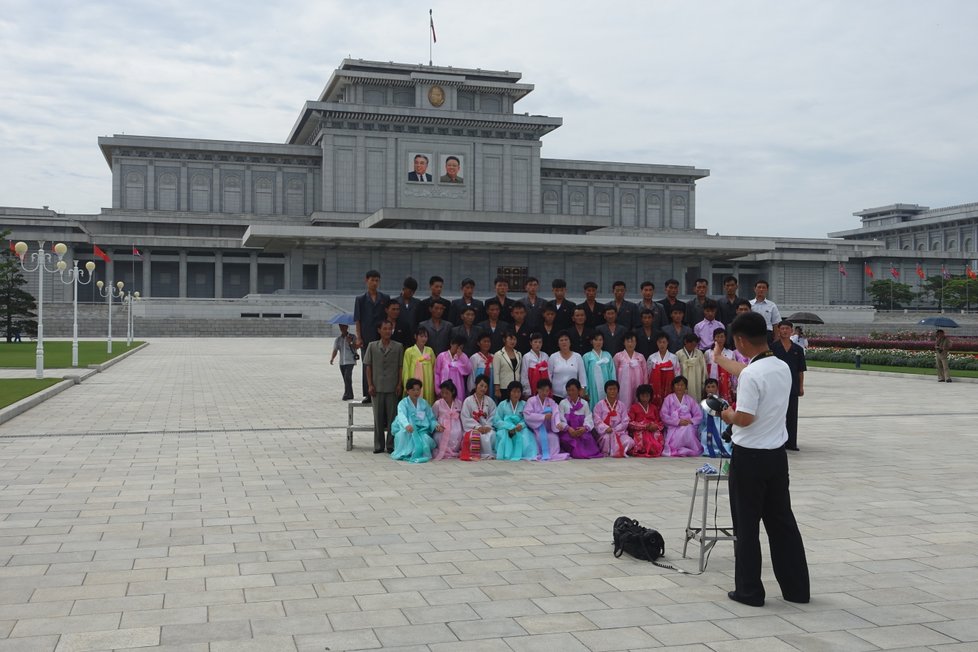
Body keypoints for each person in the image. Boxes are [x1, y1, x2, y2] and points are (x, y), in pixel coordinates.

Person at [714, 311, 810, 608]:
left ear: (741, 340)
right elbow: (744, 370)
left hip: (749, 460)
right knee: (782, 523)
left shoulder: (752, 375)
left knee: (746, 526)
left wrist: (722, 412)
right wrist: (718, 359)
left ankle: (750, 591)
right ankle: (796, 589)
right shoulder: (780, 365)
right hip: (776, 459)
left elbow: (743, 417)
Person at [364, 321, 403, 453]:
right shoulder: (372, 346)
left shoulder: (398, 346)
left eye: (389, 329)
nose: (387, 331)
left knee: (392, 417)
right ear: (379, 330)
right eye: (384, 329)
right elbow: (368, 366)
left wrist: (399, 384)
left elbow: (400, 367)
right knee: (378, 418)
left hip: (392, 387)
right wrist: (369, 384)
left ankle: (390, 445)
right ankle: (378, 445)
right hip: (377, 387)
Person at [354, 269, 389, 403]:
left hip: (381, 337)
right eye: (372, 280)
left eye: (377, 280)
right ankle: (368, 393)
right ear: (366, 280)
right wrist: (359, 337)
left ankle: (381, 391)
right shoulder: (361, 299)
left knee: (381, 364)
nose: (374, 283)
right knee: (367, 364)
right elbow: (358, 320)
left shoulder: (384, 298)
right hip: (366, 336)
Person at [771, 320, 805, 451]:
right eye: (782, 329)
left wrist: (801, 387)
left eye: (787, 329)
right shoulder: (773, 348)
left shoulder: (798, 349)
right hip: (776, 386)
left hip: (793, 386)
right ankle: (777, 441)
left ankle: (791, 443)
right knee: (776, 414)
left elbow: (800, 370)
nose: (784, 331)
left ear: (791, 331)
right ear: (778, 331)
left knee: (792, 415)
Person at [522, 379, 571, 461]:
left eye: (547, 391)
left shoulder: (551, 402)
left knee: (554, 437)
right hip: (535, 429)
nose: (545, 393)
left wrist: (558, 423)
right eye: (542, 390)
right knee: (538, 437)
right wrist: (543, 417)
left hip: (548, 429)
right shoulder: (531, 401)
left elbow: (556, 413)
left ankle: (552, 455)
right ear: (537, 389)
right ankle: (539, 453)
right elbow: (527, 415)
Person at [390, 378, 437, 463]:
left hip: (421, 429)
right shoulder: (403, 403)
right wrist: (406, 425)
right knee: (403, 435)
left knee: (426, 440)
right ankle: (405, 453)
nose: (416, 392)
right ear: (407, 391)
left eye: (418, 390)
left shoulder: (424, 403)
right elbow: (401, 415)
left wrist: (436, 425)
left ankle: (418, 452)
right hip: (407, 428)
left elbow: (431, 417)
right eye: (413, 390)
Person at [558, 379, 603, 459]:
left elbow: (589, 418)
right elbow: (560, 419)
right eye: (568, 390)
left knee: (590, 446)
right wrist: (569, 428)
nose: (570, 393)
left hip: (582, 432)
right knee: (572, 445)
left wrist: (584, 428)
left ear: (578, 390)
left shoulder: (584, 403)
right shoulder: (563, 403)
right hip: (568, 433)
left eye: (573, 390)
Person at [660, 375, 703, 457]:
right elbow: (664, 415)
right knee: (682, 430)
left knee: (688, 428)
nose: (679, 387)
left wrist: (690, 421)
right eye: (677, 385)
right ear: (673, 387)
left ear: (685, 387)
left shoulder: (690, 400)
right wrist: (678, 422)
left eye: (682, 385)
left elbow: (698, 415)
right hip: (674, 426)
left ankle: (689, 448)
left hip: (687, 423)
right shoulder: (668, 399)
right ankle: (677, 448)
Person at [493, 381, 536, 461]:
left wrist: (521, 425)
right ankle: (507, 454)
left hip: (520, 428)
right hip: (506, 428)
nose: (516, 394)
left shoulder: (524, 404)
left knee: (526, 436)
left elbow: (527, 418)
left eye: (518, 392)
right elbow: (497, 420)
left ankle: (524, 454)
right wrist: (509, 426)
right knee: (503, 435)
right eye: (514, 391)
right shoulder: (502, 404)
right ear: (509, 392)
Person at [593, 380, 632, 457]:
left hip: (619, 433)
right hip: (605, 432)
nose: (612, 391)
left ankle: (617, 451)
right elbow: (596, 420)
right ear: (606, 391)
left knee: (629, 441)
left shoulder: (622, 405)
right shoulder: (599, 405)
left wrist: (616, 429)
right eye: (610, 389)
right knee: (606, 439)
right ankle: (610, 452)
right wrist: (606, 428)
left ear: (618, 391)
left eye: (614, 389)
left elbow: (625, 421)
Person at [460, 375, 496, 460]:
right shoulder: (468, 400)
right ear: (476, 385)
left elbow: (493, 415)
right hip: (473, 428)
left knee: (492, 434)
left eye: (485, 387)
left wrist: (488, 426)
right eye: (481, 385)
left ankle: (489, 453)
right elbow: (465, 417)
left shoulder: (489, 401)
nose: (483, 388)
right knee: (477, 436)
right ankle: (481, 454)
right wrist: (478, 427)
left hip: (487, 427)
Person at [613, 332, 647, 414]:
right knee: (624, 403)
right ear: (624, 342)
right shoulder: (618, 356)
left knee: (637, 400)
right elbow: (614, 373)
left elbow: (645, 373)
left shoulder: (640, 357)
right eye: (628, 341)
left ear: (636, 343)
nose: (630, 344)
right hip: (623, 387)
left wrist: (645, 387)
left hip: (638, 385)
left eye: (633, 341)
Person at [628, 384, 665, 457]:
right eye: (643, 396)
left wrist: (655, 426)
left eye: (647, 396)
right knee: (641, 437)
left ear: (650, 396)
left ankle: (653, 449)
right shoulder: (634, 407)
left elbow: (659, 422)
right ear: (638, 396)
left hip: (652, 430)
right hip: (640, 430)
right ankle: (642, 450)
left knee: (657, 435)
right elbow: (630, 423)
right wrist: (645, 426)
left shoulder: (654, 407)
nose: (645, 398)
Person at [548, 333, 587, 402]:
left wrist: (582, 389)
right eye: (561, 340)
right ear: (558, 343)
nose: (564, 342)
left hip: (574, 395)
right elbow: (549, 375)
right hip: (556, 395)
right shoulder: (553, 357)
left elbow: (582, 375)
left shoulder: (577, 357)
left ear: (570, 342)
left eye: (566, 340)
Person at [401, 328, 436, 404]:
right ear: (415, 336)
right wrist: (407, 385)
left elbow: (434, 368)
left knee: (428, 401)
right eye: (421, 336)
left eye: (425, 336)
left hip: (428, 381)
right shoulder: (409, 351)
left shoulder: (430, 350)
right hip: (414, 381)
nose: (424, 339)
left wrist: (434, 383)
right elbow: (406, 369)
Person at [699, 378, 732, 458]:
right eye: (708, 387)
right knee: (704, 436)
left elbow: (727, 416)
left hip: (721, 425)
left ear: (717, 388)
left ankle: (723, 450)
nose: (711, 389)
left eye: (713, 386)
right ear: (705, 389)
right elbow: (701, 420)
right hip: (707, 428)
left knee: (722, 436)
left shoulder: (723, 402)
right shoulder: (702, 404)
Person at [432, 380, 464, 460]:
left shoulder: (459, 403)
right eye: (442, 393)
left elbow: (462, 417)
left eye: (447, 393)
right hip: (442, 428)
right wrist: (437, 425)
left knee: (458, 433)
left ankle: (454, 450)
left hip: (456, 427)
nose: (444, 395)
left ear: (452, 392)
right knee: (441, 435)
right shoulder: (437, 404)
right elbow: (432, 418)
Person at [434, 335, 473, 400]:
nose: (458, 349)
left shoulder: (462, 356)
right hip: (444, 387)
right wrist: (438, 389)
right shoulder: (441, 356)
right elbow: (437, 374)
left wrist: (461, 356)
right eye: (457, 346)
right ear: (451, 344)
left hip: (458, 387)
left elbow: (468, 370)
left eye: (460, 347)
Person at [583, 331, 616, 406]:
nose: (598, 342)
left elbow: (612, 372)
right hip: (593, 387)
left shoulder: (607, 355)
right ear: (591, 341)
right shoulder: (587, 356)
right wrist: (586, 391)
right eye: (596, 340)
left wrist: (613, 388)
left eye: (600, 340)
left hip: (606, 386)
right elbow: (584, 375)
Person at [647, 332, 679, 408]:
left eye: (664, 342)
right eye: (660, 342)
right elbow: (648, 373)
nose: (662, 344)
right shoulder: (652, 358)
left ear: (667, 343)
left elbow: (677, 373)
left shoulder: (673, 357)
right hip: (655, 385)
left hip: (669, 384)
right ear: (657, 343)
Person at [706, 328, 737, 402]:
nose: (720, 339)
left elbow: (734, 372)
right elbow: (705, 370)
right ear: (714, 338)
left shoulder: (731, 353)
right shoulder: (708, 353)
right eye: (717, 336)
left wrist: (734, 387)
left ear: (725, 338)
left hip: (726, 381)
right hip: (712, 381)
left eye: (722, 336)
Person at [492, 331, 522, 401]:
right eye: (510, 339)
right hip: (504, 387)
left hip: (516, 387)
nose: (513, 341)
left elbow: (519, 371)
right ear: (504, 340)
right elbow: (496, 373)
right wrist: (497, 388)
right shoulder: (498, 354)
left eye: (514, 339)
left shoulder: (519, 354)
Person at [677, 333, 707, 404]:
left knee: (696, 401)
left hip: (697, 382)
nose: (692, 346)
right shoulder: (678, 354)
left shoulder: (699, 354)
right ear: (685, 342)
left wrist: (703, 383)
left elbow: (704, 370)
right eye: (690, 343)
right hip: (683, 383)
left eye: (694, 344)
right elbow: (677, 372)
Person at [330, 323, 357, 401]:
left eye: (343, 326)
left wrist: (350, 342)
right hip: (342, 362)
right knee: (345, 378)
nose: (342, 328)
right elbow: (335, 349)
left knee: (347, 377)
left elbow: (356, 347)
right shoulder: (338, 339)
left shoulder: (353, 337)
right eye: (340, 326)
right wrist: (332, 358)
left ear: (347, 327)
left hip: (350, 361)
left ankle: (347, 393)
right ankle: (350, 393)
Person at [521, 333, 550, 398]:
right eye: (535, 342)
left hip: (545, 385)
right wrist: (527, 391)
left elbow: (549, 373)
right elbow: (524, 375)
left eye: (540, 342)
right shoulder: (526, 357)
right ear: (531, 343)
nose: (538, 344)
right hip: (532, 385)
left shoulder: (545, 356)